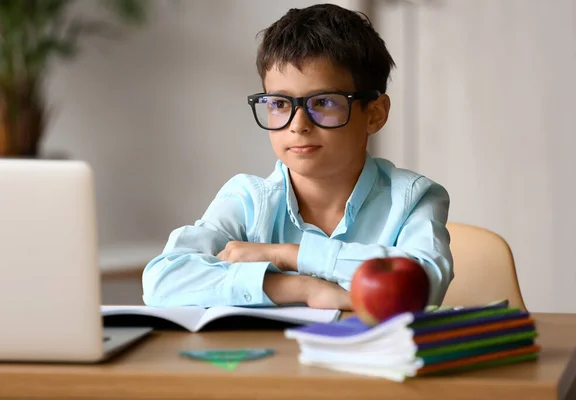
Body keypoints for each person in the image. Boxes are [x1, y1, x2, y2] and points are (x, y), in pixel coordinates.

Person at [142, 3, 453, 310]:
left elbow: (423, 283)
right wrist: (300, 287)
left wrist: (288, 255)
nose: (298, 125)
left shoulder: (413, 198)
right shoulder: (249, 200)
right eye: (279, 104)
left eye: (324, 102)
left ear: (374, 114)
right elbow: (162, 280)